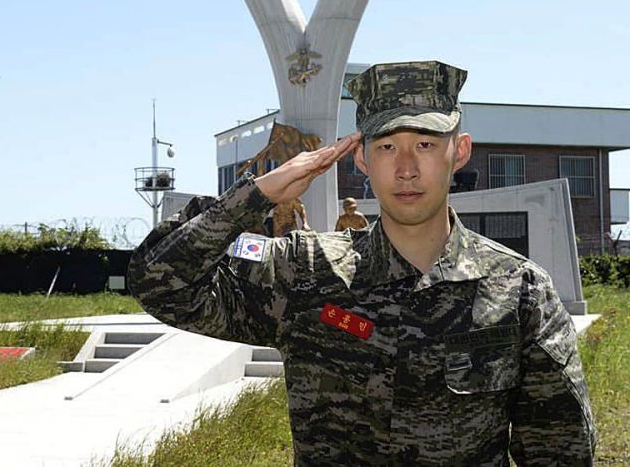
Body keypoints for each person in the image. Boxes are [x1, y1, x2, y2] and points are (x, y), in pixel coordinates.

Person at [127, 61, 596, 465]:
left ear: (460, 151)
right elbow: (162, 284)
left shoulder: (519, 289)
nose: (407, 168)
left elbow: (559, 448)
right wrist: (258, 195)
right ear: (362, 159)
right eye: (388, 146)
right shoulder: (304, 272)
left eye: (427, 145)